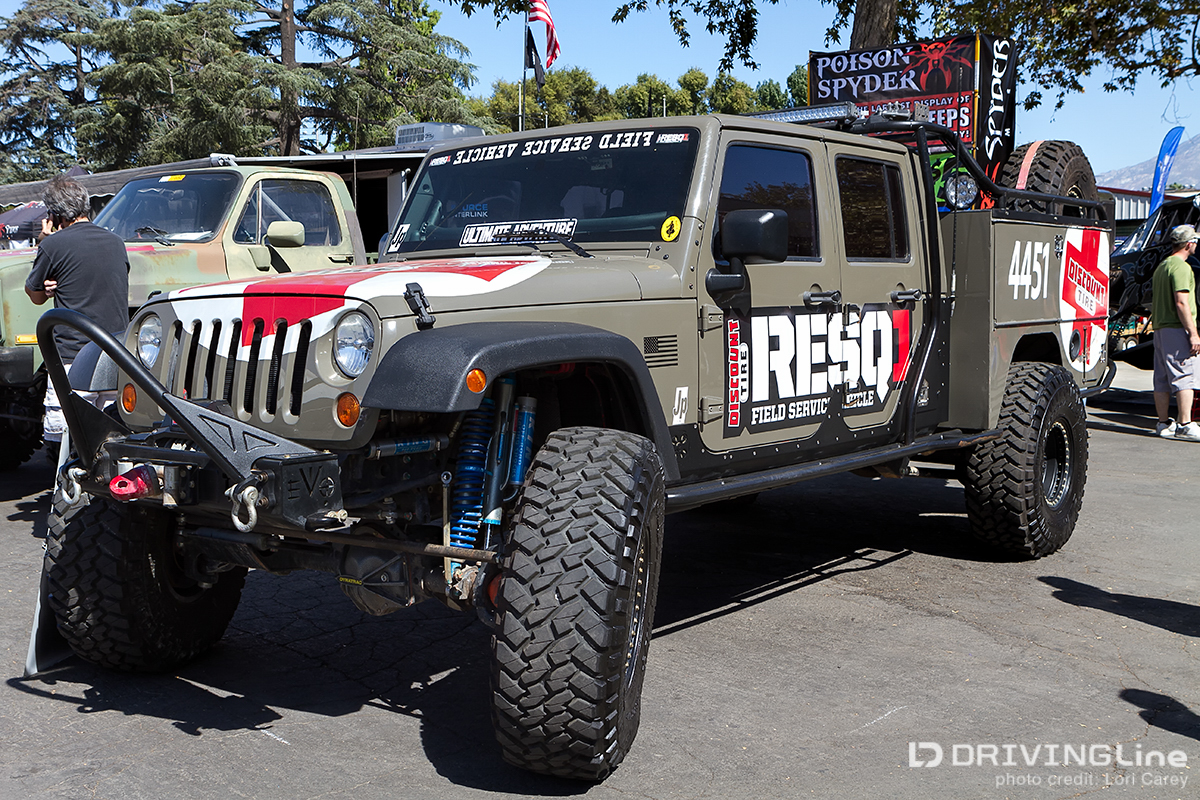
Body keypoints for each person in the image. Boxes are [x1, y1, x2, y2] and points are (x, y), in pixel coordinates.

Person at [24, 174, 129, 447]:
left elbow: (34, 295)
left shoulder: (52, 245)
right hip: (113, 354)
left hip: (73, 358)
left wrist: (44, 241)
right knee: (113, 440)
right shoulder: (116, 242)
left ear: (54, 215)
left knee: (68, 443)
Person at [1150, 223, 1200, 442]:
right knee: (1185, 376)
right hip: (1177, 328)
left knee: (1161, 379)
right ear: (1188, 244)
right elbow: (1181, 302)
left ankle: (1163, 423)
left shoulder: (1162, 267)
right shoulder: (1181, 267)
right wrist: (1193, 333)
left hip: (1160, 328)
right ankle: (1185, 424)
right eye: (1195, 241)